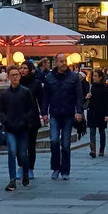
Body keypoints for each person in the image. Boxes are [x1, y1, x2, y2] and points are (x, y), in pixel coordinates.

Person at [40, 53, 85, 181]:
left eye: (65, 61)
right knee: (54, 141)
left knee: (65, 144)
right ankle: (55, 168)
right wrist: (44, 113)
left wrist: (79, 111)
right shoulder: (49, 78)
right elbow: (45, 97)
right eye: (61, 61)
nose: (64, 63)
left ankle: (65, 170)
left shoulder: (73, 77)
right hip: (54, 113)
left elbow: (78, 95)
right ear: (56, 63)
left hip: (68, 114)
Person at [0, 66, 38, 190]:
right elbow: (1, 110)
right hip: (10, 128)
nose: (15, 77)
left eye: (17, 75)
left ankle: (25, 172)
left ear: (20, 76)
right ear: (9, 77)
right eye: (13, 75)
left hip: (22, 128)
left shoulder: (26, 92)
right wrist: (5, 120)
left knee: (22, 153)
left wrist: (26, 120)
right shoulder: (5, 94)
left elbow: (32, 108)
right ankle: (12, 179)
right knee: (11, 152)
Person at [18, 61, 43, 177]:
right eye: (21, 68)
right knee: (19, 144)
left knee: (31, 145)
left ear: (30, 69)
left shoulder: (36, 83)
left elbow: (41, 100)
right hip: (18, 117)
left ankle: (31, 168)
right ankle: (21, 166)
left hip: (32, 117)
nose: (22, 70)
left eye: (25, 68)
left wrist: (44, 113)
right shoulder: (16, 82)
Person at [86, 68, 108, 158]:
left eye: (96, 76)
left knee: (101, 131)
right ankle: (93, 149)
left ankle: (102, 149)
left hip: (102, 112)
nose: (94, 78)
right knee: (92, 131)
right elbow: (85, 100)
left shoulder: (106, 87)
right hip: (92, 111)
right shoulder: (91, 86)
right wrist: (87, 97)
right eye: (93, 76)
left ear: (100, 77)